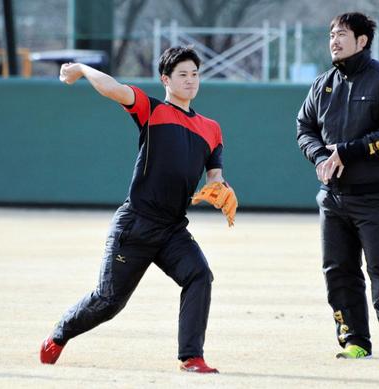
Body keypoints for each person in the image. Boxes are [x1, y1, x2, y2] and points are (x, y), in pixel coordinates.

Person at [40, 46, 238, 373]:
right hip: (136, 225)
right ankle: (60, 333)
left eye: (195, 74)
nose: (190, 80)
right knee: (108, 303)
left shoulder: (211, 128)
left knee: (199, 275)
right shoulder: (152, 109)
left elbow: (215, 175)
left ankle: (191, 357)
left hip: (172, 229)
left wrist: (222, 189)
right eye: (183, 75)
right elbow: (113, 89)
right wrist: (81, 70)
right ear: (166, 79)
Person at [296, 12, 379, 361]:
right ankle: (354, 340)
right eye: (332, 34)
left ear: (362, 41)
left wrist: (346, 151)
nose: (334, 40)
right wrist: (321, 157)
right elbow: (304, 128)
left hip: (374, 196)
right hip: (332, 199)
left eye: (342, 34)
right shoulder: (322, 84)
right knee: (338, 271)